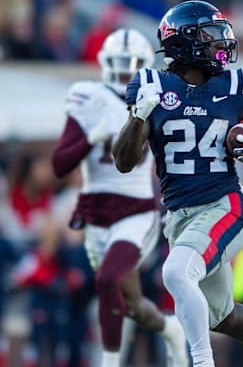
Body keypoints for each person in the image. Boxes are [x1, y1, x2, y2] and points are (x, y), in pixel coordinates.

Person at [111, 0, 243, 367]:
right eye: (209, 35)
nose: (221, 43)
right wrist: (139, 116)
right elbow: (124, 161)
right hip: (180, 216)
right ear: (182, 41)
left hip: (225, 205)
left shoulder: (238, 85)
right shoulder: (151, 84)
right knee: (221, 315)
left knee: (175, 272)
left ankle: (201, 363)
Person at [50, 28, 188, 367]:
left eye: (131, 66)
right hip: (97, 214)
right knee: (132, 303)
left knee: (107, 278)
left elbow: (175, 159)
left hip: (137, 211)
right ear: (104, 64)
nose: (125, 73)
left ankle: (108, 364)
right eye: (119, 64)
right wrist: (89, 139)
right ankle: (170, 328)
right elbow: (59, 164)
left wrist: (176, 204)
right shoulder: (87, 96)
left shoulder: (157, 100)